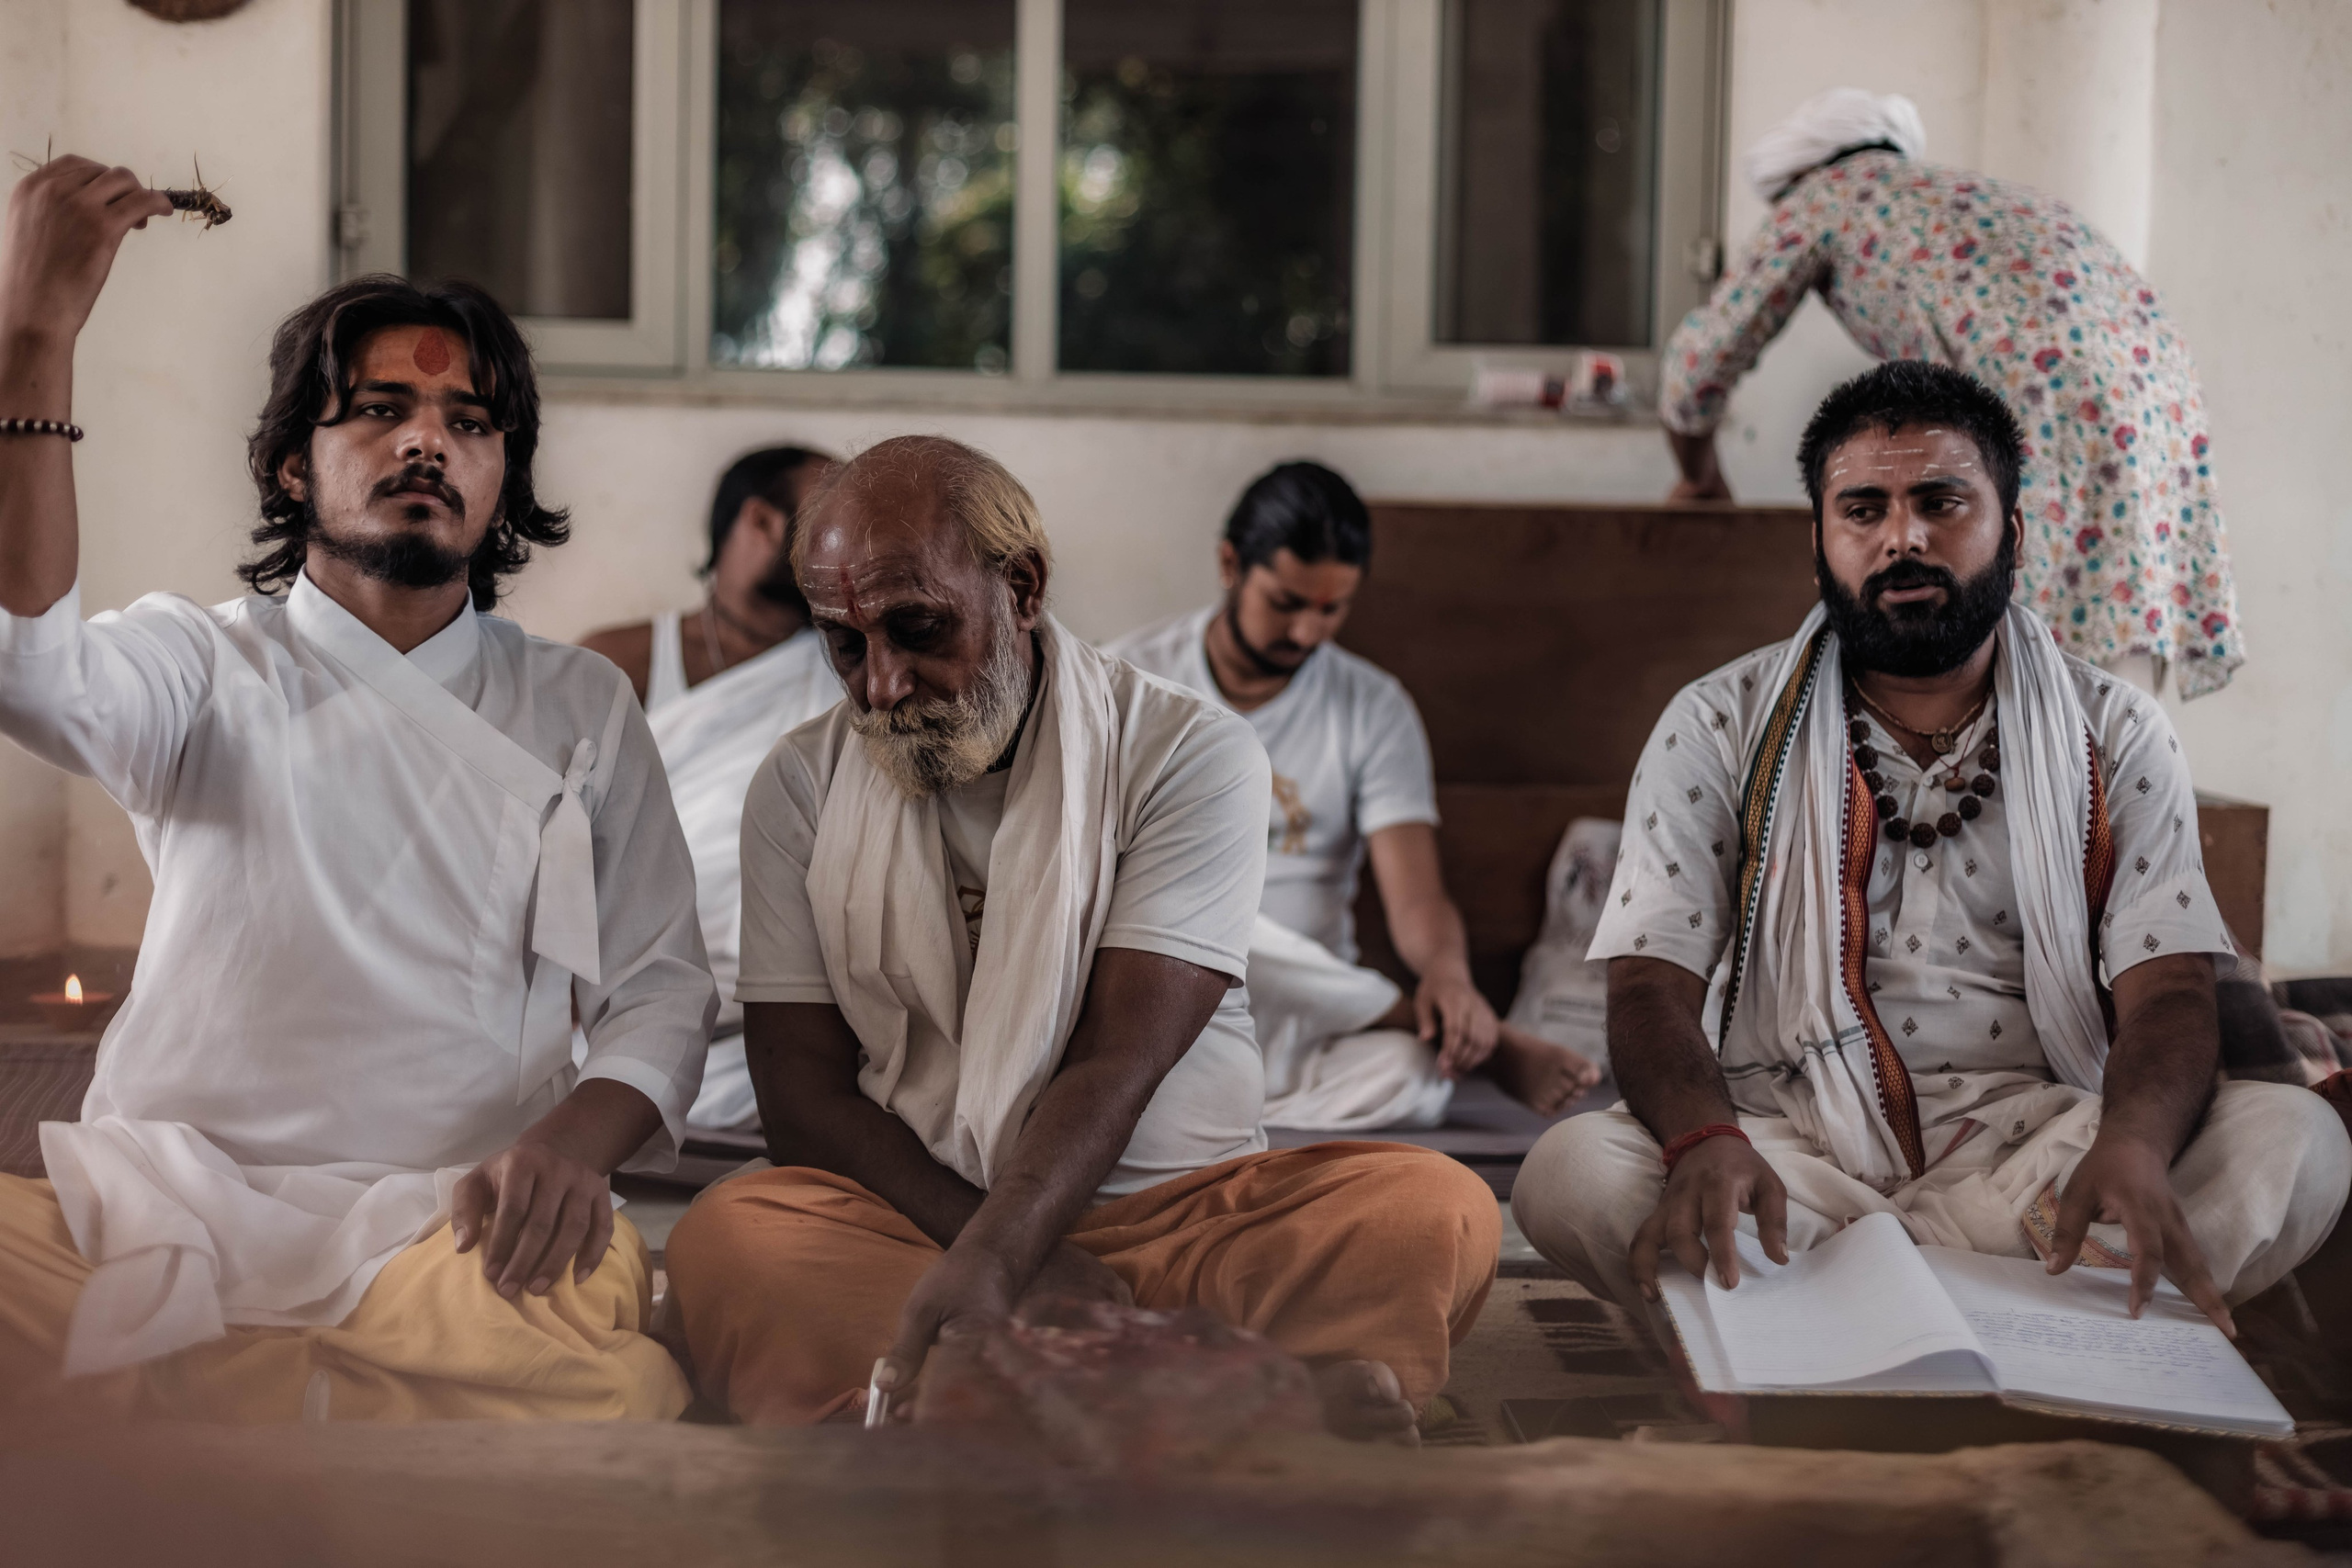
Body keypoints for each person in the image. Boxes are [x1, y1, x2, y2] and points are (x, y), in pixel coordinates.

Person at [0, 156, 713, 1422]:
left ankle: (197, 1417)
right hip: (161, 1197)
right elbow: (29, 671)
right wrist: (36, 334)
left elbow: (660, 991)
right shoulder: (201, 661)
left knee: (588, 1364)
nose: (426, 438)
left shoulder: (579, 705)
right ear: (292, 465)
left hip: (450, 1222)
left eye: (471, 425)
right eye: (378, 409)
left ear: (499, 486)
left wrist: (566, 1145)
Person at [662, 436, 1498, 1439]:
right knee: (728, 1241)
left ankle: (981, 1410)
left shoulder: (1187, 753)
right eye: (846, 644)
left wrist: (1002, 1263)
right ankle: (1236, 1399)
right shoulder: (798, 785)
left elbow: (1119, 1057)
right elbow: (800, 1098)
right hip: (921, 1224)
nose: (881, 686)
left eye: (916, 630)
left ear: (1021, 586)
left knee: (1429, 1208)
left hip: (1179, 1216)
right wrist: (992, 1250)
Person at [1512, 362, 2346, 1329]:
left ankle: (1824, 1332)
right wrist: (1704, 1139)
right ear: (1820, 541)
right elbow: (1651, 981)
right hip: (1791, 1152)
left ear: (2013, 530)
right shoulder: (1716, 722)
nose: (1900, 536)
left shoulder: (2114, 729)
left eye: (1939, 502)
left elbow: (2168, 987)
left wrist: (2132, 1147)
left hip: (2044, 1147)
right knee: (1569, 1173)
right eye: (1861, 508)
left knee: (2298, 1138)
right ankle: (2033, 1331)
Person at [1657, 87, 2241, 699]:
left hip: (2040, 389)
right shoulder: (1964, 193)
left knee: (2017, 663)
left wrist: (1698, 478)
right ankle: (2123, 781)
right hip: (2162, 390)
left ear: (1803, 173)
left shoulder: (1824, 196)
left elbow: (1696, 367)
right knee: (2117, 638)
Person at [1109, 461, 1599, 1129]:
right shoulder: (1129, 684)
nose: (1307, 632)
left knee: (1419, 1079)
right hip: (1162, 1002)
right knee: (1205, 917)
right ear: (1230, 564)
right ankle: (1436, 1032)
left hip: (1313, 1021)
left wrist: (1450, 979)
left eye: (1331, 608)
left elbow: (1418, 895)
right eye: (1286, 603)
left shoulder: (1372, 706)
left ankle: (1217, 1112)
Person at [582, 446, 842, 1133]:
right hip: (633, 960)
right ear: (759, 519)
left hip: (787, 988)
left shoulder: (854, 672)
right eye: (830, 516)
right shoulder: (620, 660)